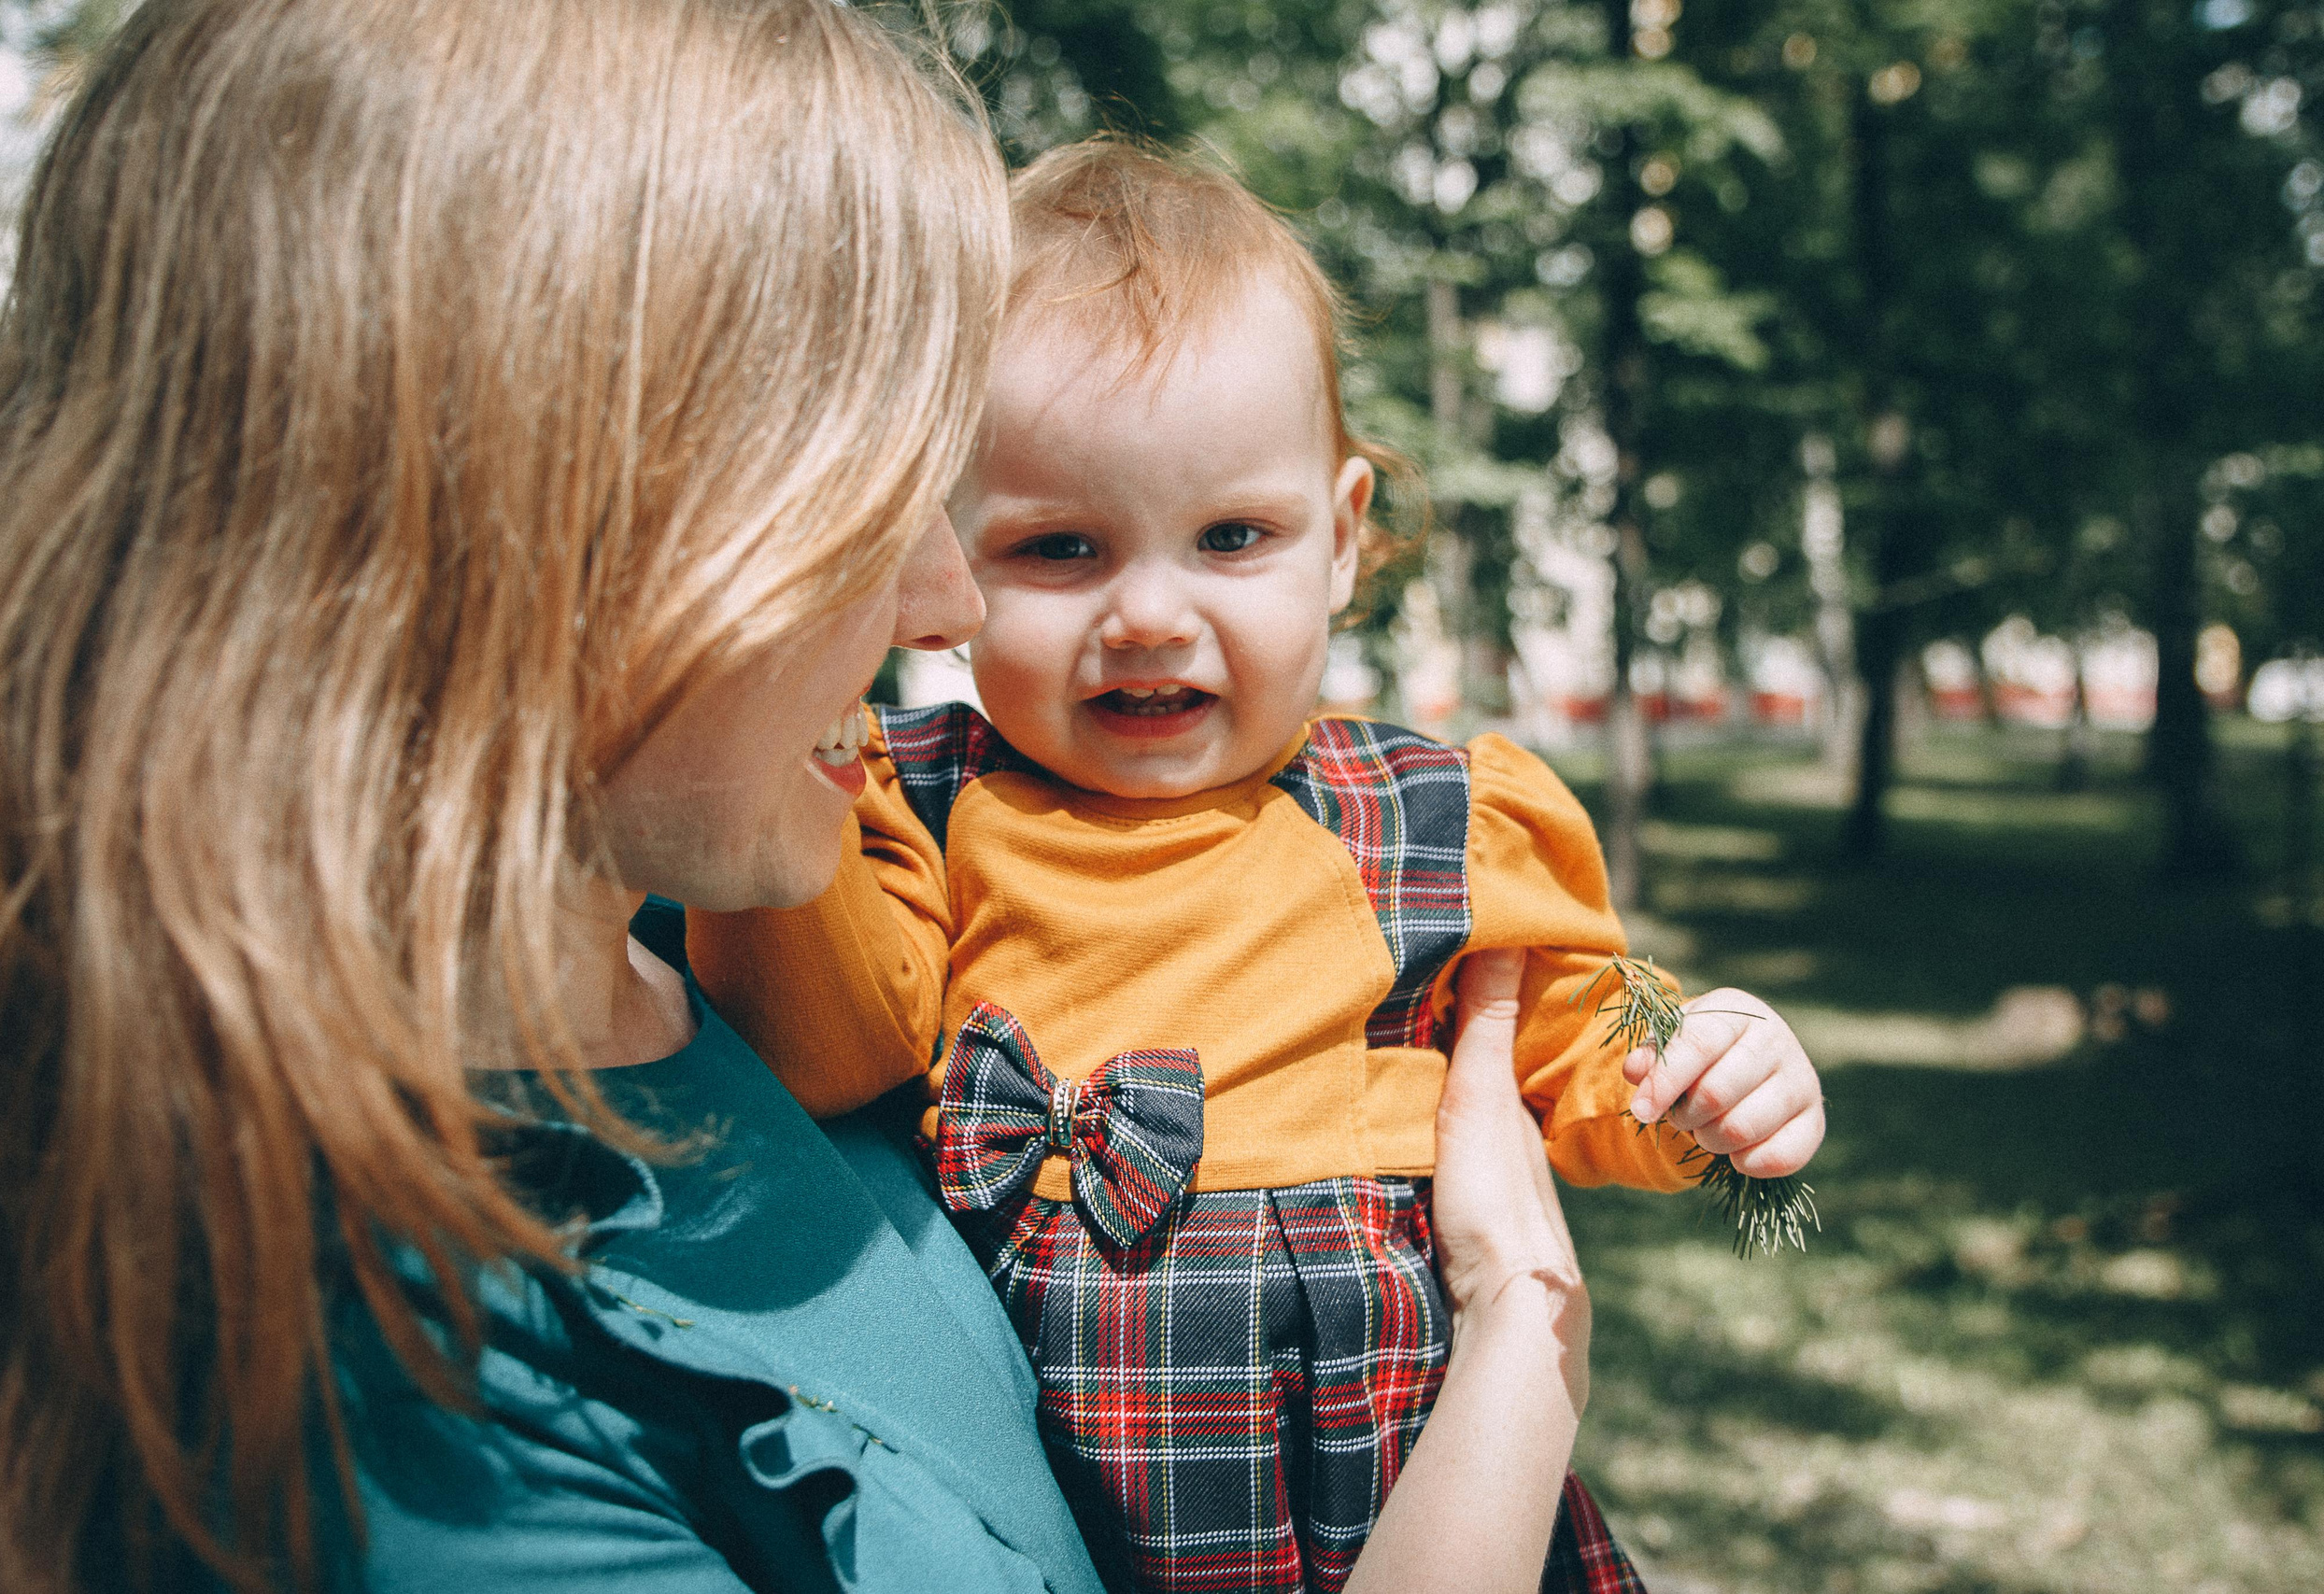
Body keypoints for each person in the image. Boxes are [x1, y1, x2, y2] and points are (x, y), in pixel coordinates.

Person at [0, 5, 1603, 1592]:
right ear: (524, 516)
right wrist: (1521, 1337)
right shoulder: (380, 1413)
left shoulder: (720, 926)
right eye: (859, 496)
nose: (949, 603)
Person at [691, 139, 1827, 1593]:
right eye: (1060, 548)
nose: (1152, 614)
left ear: (1342, 539)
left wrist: (1709, 1080)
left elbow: (1575, 1050)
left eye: (1233, 536)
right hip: (1072, 1504)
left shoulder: (1428, 812)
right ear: (944, 559)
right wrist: (800, 721)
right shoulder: (912, 805)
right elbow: (820, 1047)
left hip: (1400, 1459)